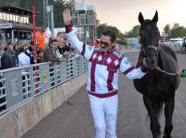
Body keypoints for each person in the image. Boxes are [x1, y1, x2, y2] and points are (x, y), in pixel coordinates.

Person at [63, 9, 148, 138]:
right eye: (100, 42)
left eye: (105, 43)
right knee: (100, 127)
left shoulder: (119, 57)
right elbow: (75, 41)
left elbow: (133, 74)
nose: (101, 45)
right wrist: (68, 25)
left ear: (113, 43)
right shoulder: (92, 51)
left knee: (111, 130)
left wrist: (144, 67)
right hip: (95, 97)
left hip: (111, 98)